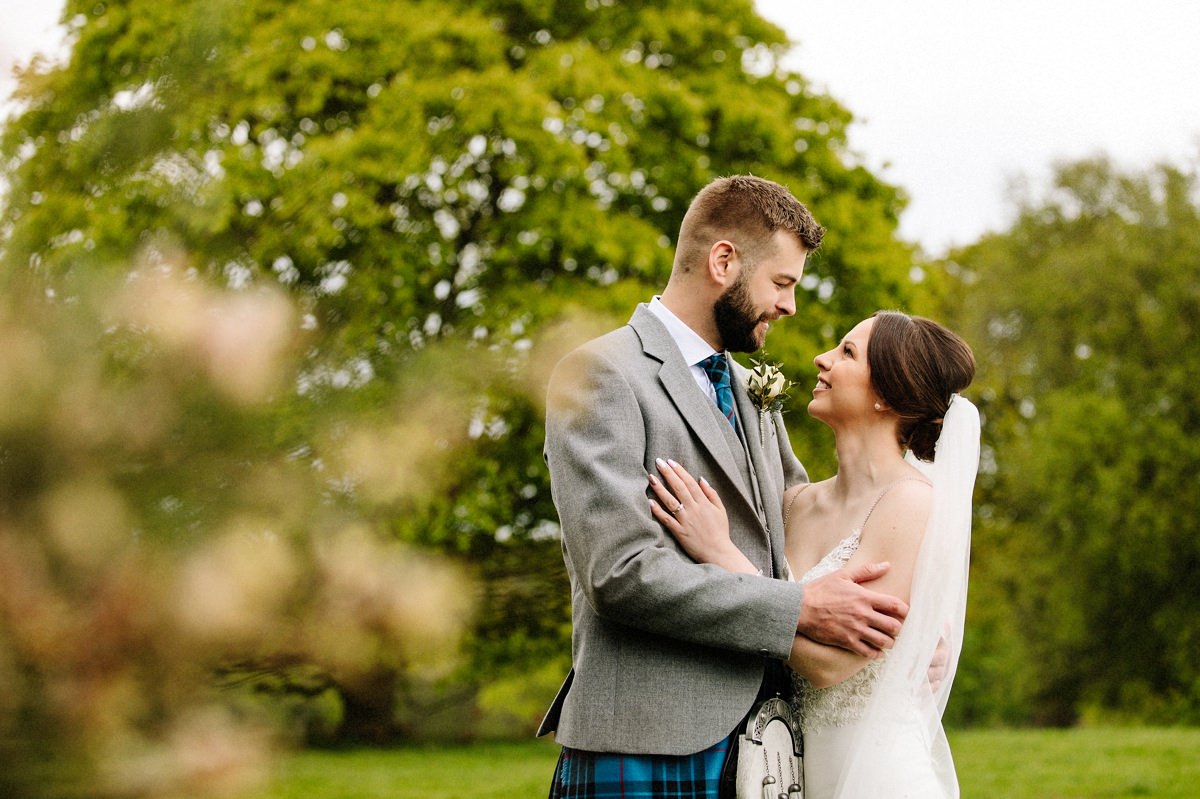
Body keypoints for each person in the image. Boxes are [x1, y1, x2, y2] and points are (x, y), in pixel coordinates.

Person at [539, 176, 910, 798]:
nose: (789, 306)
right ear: (723, 261)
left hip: (763, 746)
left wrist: (906, 625)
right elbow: (620, 574)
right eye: (782, 283)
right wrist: (801, 607)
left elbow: (800, 525)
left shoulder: (749, 388)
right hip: (646, 738)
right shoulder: (600, 373)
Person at [648, 310, 979, 798]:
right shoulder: (794, 504)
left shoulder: (911, 502)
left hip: (879, 776)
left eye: (847, 353)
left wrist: (721, 552)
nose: (821, 360)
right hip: (792, 772)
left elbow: (830, 666)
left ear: (886, 394)